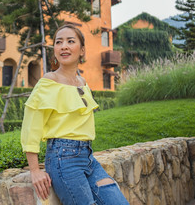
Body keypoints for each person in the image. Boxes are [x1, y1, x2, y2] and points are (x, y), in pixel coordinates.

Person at [21, 24, 129, 205]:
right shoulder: (48, 81)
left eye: (70, 41)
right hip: (62, 159)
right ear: (54, 49)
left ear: (82, 50)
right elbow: (31, 126)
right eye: (58, 42)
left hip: (88, 158)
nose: (64, 46)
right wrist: (34, 170)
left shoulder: (83, 82)